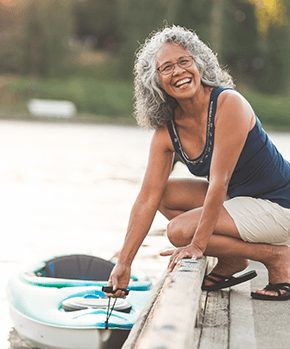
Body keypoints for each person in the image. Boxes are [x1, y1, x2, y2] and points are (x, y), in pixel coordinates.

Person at [105, 25, 290, 301]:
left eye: (184, 61)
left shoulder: (229, 104)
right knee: (163, 194)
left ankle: (276, 257)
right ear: (154, 81)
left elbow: (219, 182)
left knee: (179, 231)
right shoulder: (166, 132)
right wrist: (124, 262)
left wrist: (197, 245)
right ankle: (233, 260)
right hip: (239, 198)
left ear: (199, 64)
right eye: (166, 67)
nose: (178, 71)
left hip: (278, 204)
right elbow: (147, 199)